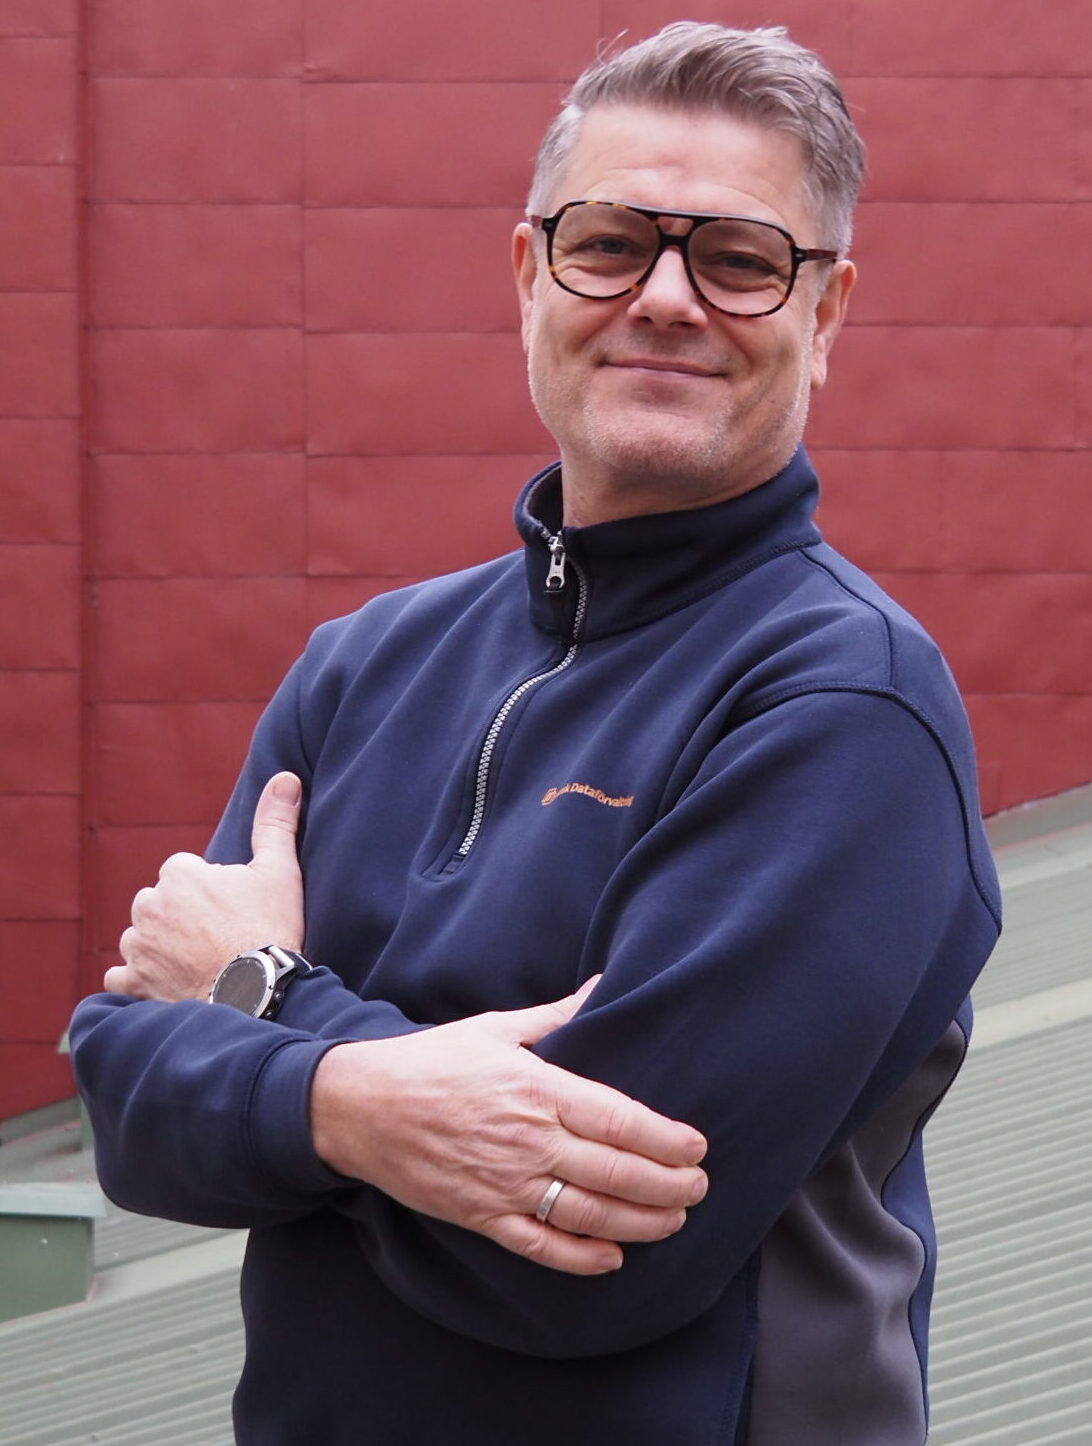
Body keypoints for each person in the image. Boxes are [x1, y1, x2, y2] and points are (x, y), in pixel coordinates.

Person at [69, 22, 1001, 1446]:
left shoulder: (841, 703)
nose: (667, 299)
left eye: (740, 260)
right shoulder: (363, 667)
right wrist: (370, 1101)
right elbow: (128, 1110)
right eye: (610, 243)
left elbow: (585, 1248)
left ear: (825, 312)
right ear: (528, 275)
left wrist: (266, 1009)